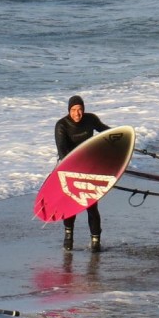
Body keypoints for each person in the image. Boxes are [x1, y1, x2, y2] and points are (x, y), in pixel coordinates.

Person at [54, 94, 111, 251]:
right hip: (69, 169)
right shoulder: (62, 125)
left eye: (80, 109)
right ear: (69, 111)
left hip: (89, 168)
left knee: (91, 206)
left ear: (83, 109)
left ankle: (95, 242)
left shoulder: (90, 119)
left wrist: (124, 137)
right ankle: (68, 236)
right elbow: (63, 153)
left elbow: (106, 132)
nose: (77, 113)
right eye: (73, 110)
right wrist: (74, 169)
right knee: (71, 204)